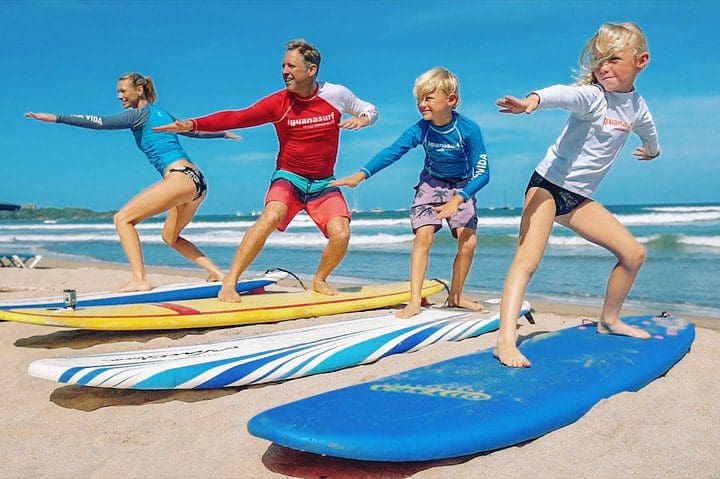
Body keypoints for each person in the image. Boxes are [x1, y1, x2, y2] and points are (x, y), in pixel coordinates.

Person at [154, 39, 378, 302]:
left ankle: (319, 279)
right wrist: (192, 124)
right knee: (272, 215)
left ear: (311, 69)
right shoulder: (278, 103)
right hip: (289, 177)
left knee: (341, 233)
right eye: (283, 65)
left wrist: (363, 119)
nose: (284, 71)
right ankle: (230, 281)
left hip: (324, 183)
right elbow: (237, 117)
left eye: (291, 66)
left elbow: (371, 109)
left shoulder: (336, 95)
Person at [493, 22, 660, 368]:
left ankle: (609, 321)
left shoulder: (637, 106)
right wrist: (532, 102)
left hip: (578, 198)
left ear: (641, 61)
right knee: (527, 261)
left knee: (633, 254)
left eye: (614, 59)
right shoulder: (594, 97)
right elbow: (563, 94)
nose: (604, 67)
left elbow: (648, 130)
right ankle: (505, 342)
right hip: (548, 187)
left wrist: (651, 150)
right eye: (600, 60)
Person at [25, 73, 239, 292]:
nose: (119, 96)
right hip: (198, 181)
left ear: (139, 90)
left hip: (179, 177)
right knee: (170, 236)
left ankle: (139, 279)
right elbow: (193, 131)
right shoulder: (162, 113)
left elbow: (101, 123)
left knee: (123, 219)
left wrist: (57, 118)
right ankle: (215, 272)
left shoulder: (140, 115)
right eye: (118, 92)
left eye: (123, 91)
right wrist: (222, 134)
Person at [334, 67, 489, 318]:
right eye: (419, 99)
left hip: (461, 186)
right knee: (423, 237)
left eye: (428, 98)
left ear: (451, 100)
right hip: (430, 184)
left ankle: (456, 295)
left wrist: (459, 199)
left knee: (468, 241)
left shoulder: (469, 130)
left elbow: (483, 173)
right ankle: (415, 300)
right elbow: (393, 151)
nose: (421, 104)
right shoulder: (421, 129)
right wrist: (360, 175)